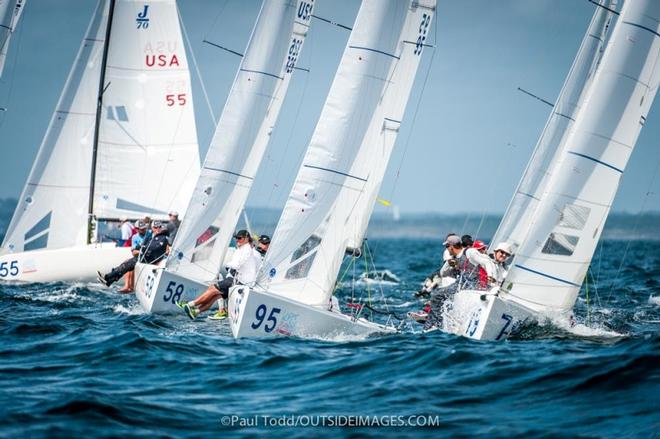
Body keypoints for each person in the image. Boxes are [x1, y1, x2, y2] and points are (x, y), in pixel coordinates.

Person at [182, 229, 259, 320]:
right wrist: (230, 265)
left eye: (239, 238)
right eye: (236, 238)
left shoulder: (247, 249)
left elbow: (237, 265)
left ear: (246, 238)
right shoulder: (242, 248)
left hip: (240, 282)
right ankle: (196, 312)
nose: (237, 240)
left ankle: (191, 304)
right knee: (216, 296)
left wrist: (227, 264)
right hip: (239, 280)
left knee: (212, 289)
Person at [98, 221, 170, 288]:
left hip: (149, 259)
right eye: (155, 227)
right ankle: (109, 280)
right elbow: (139, 248)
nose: (157, 229)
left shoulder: (162, 237)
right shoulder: (148, 235)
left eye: (159, 227)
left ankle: (108, 278)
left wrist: (142, 249)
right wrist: (141, 249)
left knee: (127, 265)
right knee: (126, 265)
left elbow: (155, 247)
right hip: (144, 257)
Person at [118, 221, 151, 293]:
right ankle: (127, 286)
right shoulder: (135, 237)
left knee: (131, 264)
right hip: (140, 257)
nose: (143, 230)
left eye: (144, 229)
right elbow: (133, 252)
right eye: (141, 229)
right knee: (127, 262)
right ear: (137, 229)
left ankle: (132, 287)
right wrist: (140, 252)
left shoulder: (150, 233)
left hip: (149, 257)